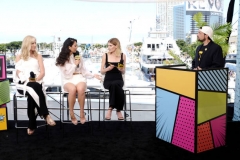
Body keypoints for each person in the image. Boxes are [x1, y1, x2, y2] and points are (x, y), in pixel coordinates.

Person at [15, 35, 56, 135]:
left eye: (35, 43)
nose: (35, 45)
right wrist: (26, 80)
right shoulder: (19, 56)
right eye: (32, 43)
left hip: (37, 82)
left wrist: (35, 80)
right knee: (32, 87)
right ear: (27, 44)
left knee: (33, 93)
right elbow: (18, 71)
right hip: (23, 84)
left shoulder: (38, 56)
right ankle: (46, 114)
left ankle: (31, 124)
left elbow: (42, 72)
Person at [55, 38, 101, 125]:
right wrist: (74, 64)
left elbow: (84, 71)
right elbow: (67, 74)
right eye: (75, 45)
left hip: (79, 77)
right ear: (69, 47)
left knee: (80, 89)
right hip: (68, 79)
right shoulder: (61, 59)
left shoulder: (78, 56)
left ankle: (81, 112)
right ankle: (71, 113)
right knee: (72, 89)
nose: (77, 47)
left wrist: (93, 75)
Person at [100, 38, 126, 120]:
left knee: (115, 85)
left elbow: (123, 71)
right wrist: (108, 69)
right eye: (108, 45)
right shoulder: (105, 55)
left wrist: (120, 69)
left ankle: (110, 108)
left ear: (116, 46)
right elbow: (102, 71)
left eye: (110, 45)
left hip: (118, 78)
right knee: (114, 86)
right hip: (108, 79)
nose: (108, 47)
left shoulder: (122, 56)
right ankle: (118, 110)